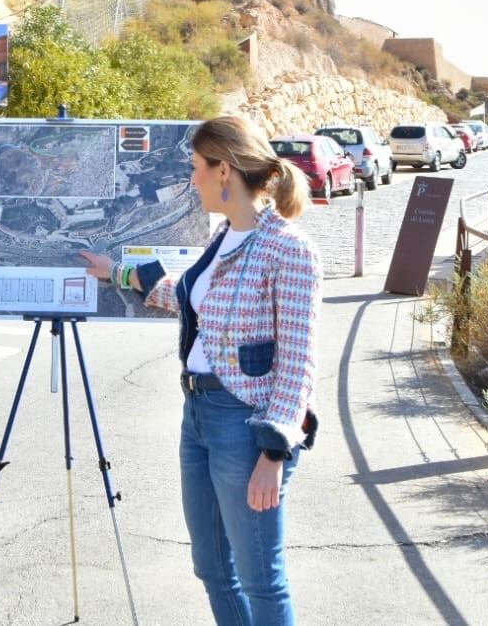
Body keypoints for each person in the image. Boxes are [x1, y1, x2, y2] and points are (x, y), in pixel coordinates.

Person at [79, 116, 321, 626]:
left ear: (224, 170)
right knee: (211, 568)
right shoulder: (224, 237)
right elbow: (192, 302)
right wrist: (118, 270)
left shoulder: (290, 248)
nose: (192, 179)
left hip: (247, 425)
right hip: (199, 417)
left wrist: (274, 453)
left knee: (261, 579)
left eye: (196, 168)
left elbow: (299, 359)